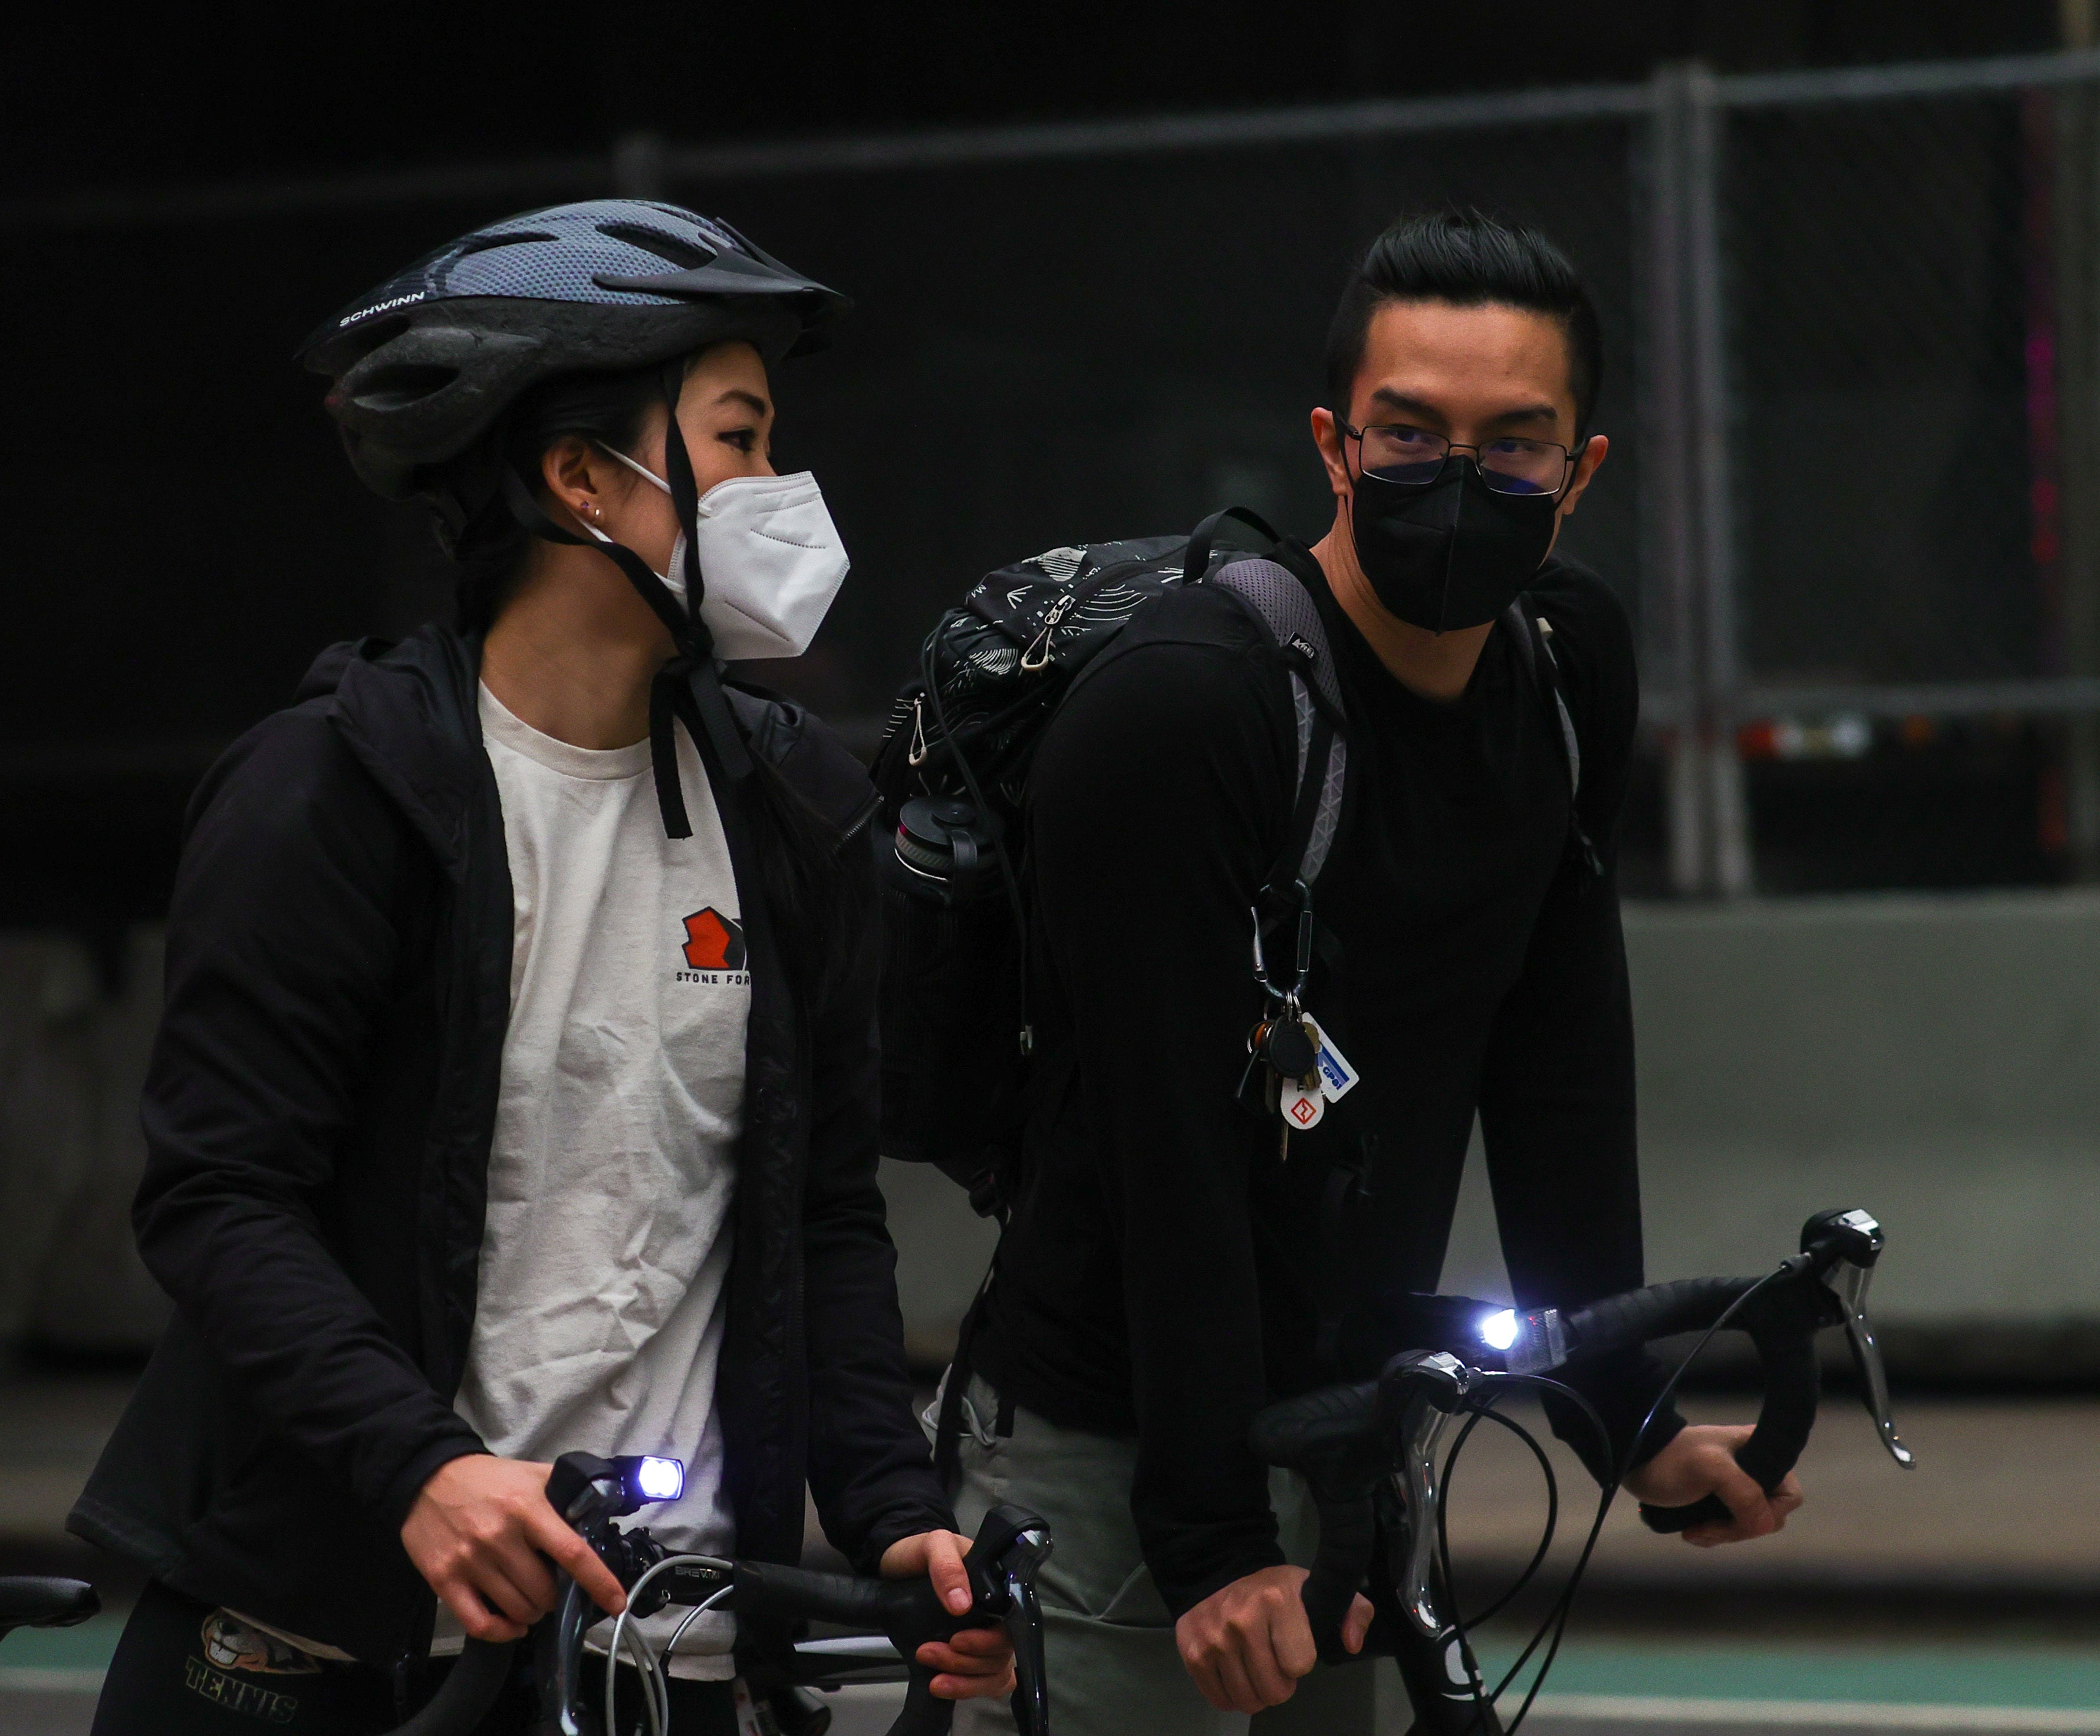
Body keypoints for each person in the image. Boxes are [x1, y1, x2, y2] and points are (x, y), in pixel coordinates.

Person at [71, 201, 1012, 1734]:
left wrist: (897, 1509)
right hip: (317, 1639)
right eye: (738, 436)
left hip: (667, 1646)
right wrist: (422, 1465)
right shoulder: (331, 793)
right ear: (582, 478)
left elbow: (819, 1218)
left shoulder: (792, 813)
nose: (779, 492)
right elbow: (221, 1198)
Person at [944, 209, 1806, 1736]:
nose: (1455, 483)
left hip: (1354, 1428)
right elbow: (1168, 1150)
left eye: (1512, 445)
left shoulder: (1560, 663)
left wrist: (1619, 1404)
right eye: (1409, 434)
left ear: (1581, 470)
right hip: (1112, 1437)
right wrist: (1205, 1532)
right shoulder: (1182, 716)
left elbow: (1553, 1047)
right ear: (1333, 446)